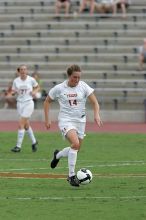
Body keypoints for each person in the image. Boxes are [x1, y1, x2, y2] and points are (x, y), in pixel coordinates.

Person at [44, 64, 102, 187]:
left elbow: (95, 102)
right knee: (75, 144)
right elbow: (47, 101)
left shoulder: (83, 86)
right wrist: (47, 119)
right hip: (66, 120)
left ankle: (58, 155)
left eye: (78, 77)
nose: (77, 80)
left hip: (80, 121)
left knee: (76, 148)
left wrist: (96, 115)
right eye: (74, 77)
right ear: (69, 76)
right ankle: (71, 176)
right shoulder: (59, 88)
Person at [11, 65, 40, 152]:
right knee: (26, 125)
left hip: (28, 103)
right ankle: (34, 142)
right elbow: (13, 91)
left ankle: (18, 146)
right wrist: (14, 92)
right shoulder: (16, 81)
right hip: (20, 104)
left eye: (25, 69)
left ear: (26, 71)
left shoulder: (31, 79)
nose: (23, 71)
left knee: (21, 124)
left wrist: (34, 91)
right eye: (21, 70)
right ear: (19, 71)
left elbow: (38, 87)